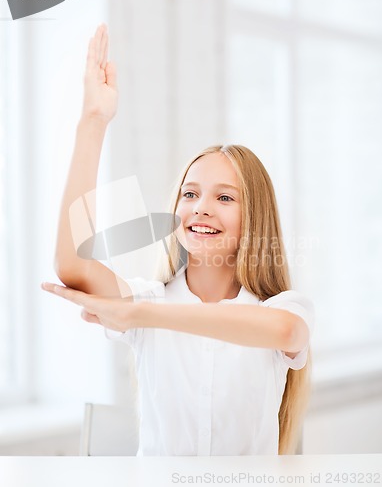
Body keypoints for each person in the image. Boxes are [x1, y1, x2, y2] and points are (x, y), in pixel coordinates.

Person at [42, 24, 314, 456]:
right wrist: (93, 121)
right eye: (190, 194)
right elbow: (72, 265)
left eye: (225, 197)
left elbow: (284, 331)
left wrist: (144, 316)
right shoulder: (148, 299)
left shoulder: (282, 309)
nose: (201, 207)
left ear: (254, 219)